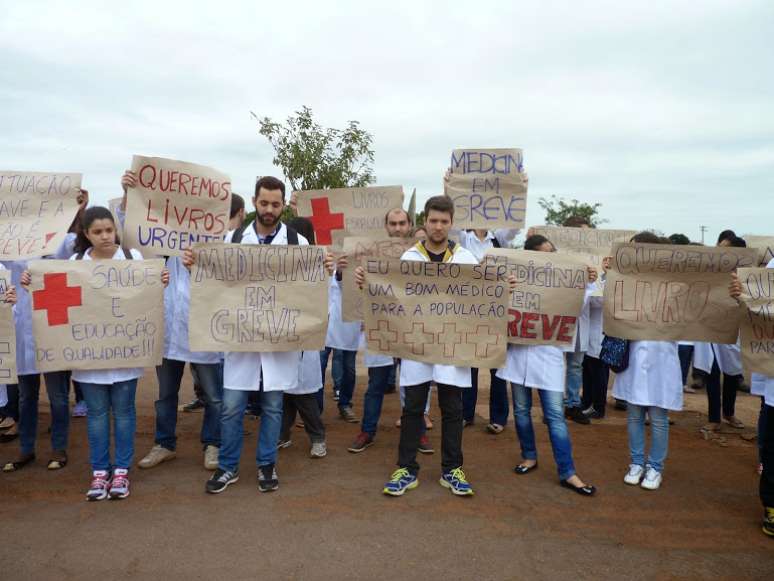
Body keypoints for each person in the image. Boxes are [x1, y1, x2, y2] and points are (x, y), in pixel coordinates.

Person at [189, 176, 332, 494]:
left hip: (279, 343)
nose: (269, 209)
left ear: (283, 205)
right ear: (254, 202)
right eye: (264, 203)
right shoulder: (232, 240)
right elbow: (213, 283)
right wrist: (193, 266)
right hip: (241, 343)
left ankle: (267, 465)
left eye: (276, 204)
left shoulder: (298, 244)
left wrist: (327, 270)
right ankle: (228, 467)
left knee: (272, 406)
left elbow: (313, 289)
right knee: (232, 407)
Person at [39, 206, 167, 500]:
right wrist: (31, 285)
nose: (105, 237)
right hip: (89, 357)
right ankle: (99, 472)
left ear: (115, 230)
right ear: (86, 234)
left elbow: (146, 299)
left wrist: (158, 284)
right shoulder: (74, 263)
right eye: (97, 232)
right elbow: (55, 297)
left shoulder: (133, 260)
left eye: (109, 230)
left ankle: (121, 470)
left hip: (125, 354)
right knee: (96, 414)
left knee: (124, 413)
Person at [356, 196, 481, 497]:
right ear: (425, 221)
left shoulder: (465, 259)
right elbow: (392, 297)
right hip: (416, 346)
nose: (438, 226)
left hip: (452, 347)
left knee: (453, 408)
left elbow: (482, 298)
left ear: (451, 224)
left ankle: (452, 470)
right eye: (433, 220)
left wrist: (504, 288)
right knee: (412, 407)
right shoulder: (410, 258)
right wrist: (367, 283)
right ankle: (406, 468)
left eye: (444, 221)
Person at [117, 171, 225, 472]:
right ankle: (164, 444)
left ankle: (213, 444)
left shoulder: (215, 240)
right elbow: (127, 233)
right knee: (165, 395)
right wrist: (128, 193)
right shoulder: (158, 239)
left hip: (203, 329)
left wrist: (197, 267)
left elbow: (227, 281)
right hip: (166, 330)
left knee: (214, 396)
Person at [496, 234, 597, 496]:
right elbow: (493, 307)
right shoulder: (512, 280)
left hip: (549, 359)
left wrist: (587, 283)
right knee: (520, 410)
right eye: (544, 253)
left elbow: (578, 306)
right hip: (518, 356)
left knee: (555, 416)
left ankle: (568, 472)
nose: (550, 258)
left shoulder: (564, 283)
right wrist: (505, 288)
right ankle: (529, 456)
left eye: (553, 252)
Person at [1, 189, 87, 471]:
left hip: (52, 324)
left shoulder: (60, 240)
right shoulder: (9, 245)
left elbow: (79, 247)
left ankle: (58, 449)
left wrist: (78, 211)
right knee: (26, 396)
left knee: (58, 395)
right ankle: (26, 449)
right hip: (22, 326)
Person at [348, 209, 437, 454]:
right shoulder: (370, 255)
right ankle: (367, 431)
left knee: (414, 385)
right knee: (376, 384)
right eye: (393, 223)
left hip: (412, 330)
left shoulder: (422, 255)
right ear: (385, 226)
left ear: (410, 225)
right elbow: (360, 288)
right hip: (382, 327)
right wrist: (358, 277)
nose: (397, 228)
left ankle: (417, 433)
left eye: (402, 223)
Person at [614, 231, 682, 491]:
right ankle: (636, 463)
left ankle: (655, 467)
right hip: (634, 352)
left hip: (662, 354)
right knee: (634, 413)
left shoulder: (672, 283)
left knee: (658, 415)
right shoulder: (627, 280)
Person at [182, 194, 246, 414]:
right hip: (202, 320)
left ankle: (216, 436)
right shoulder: (191, 243)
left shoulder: (235, 240)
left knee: (220, 385)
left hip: (225, 320)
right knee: (209, 378)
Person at [729, 268, 774, 538]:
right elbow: (757, 308)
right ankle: (772, 506)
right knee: (772, 450)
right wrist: (740, 295)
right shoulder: (770, 269)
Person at [581, 257, 610, 419]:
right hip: (589, 333)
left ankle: (598, 407)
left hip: (600, 334)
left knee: (598, 373)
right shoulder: (598, 280)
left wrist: (594, 283)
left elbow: (599, 301)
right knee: (588, 371)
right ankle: (586, 401)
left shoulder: (609, 282)